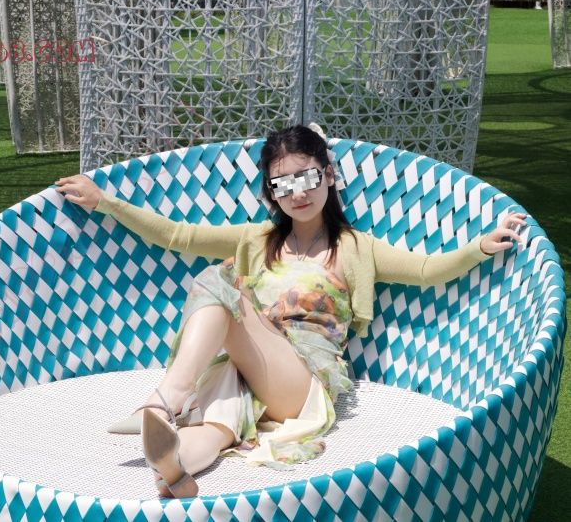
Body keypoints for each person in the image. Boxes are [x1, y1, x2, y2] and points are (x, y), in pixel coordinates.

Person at [54, 125, 527, 499]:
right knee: (215, 429)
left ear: (329, 176)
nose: (298, 193)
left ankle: (165, 400)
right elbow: (179, 235)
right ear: (271, 192)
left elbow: (425, 270)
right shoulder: (257, 239)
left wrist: (481, 247)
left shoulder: (356, 248)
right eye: (283, 184)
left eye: (307, 177)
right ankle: (173, 467)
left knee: (218, 280)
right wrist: (106, 203)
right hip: (248, 372)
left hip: (302, 380)